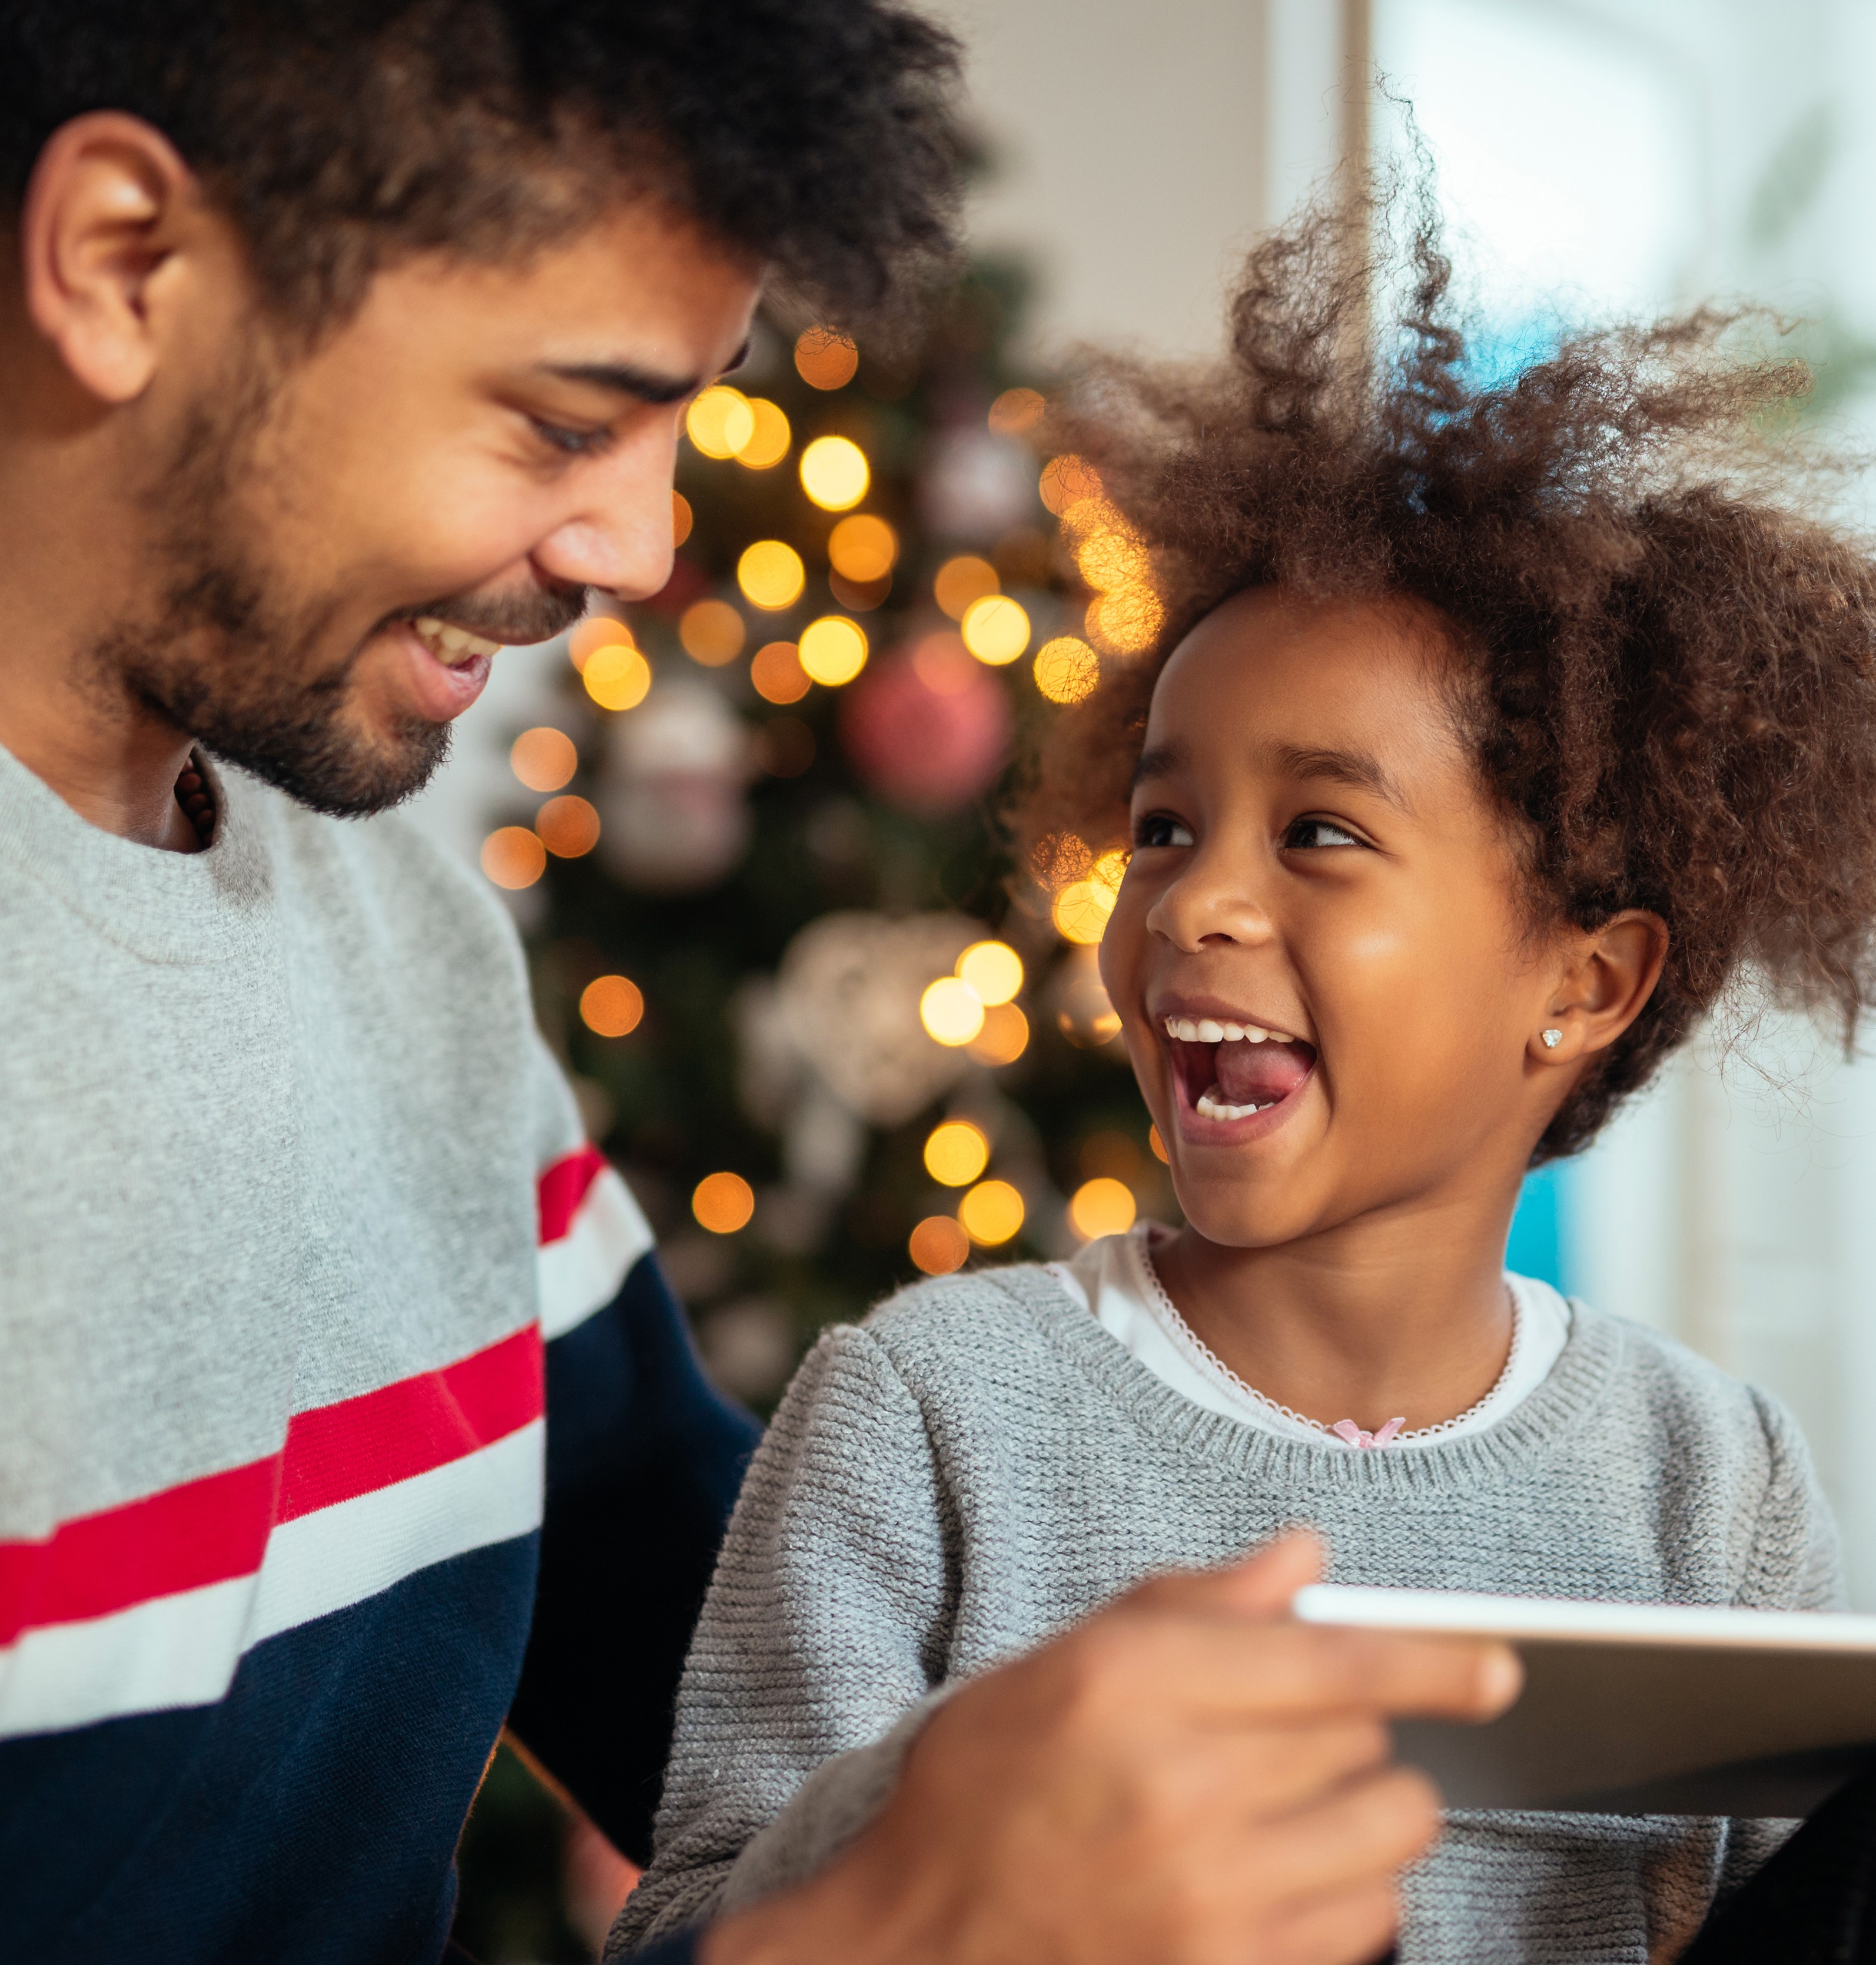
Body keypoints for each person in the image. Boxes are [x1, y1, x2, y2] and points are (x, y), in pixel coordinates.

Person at [0, 9, 1523, 1963]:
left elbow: (689, 1608)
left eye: (676, 426)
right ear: (125, 260)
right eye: (560, 420)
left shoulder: (390, 923)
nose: (631, 546)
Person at [610, 197, 1876, 1964]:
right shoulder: (927, 1410)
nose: (1188, 899)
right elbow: (683, 1936)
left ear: (1584, 984)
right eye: (1160, 824)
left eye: (1320, 830)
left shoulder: (1708, 1478)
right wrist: (943, 1815)